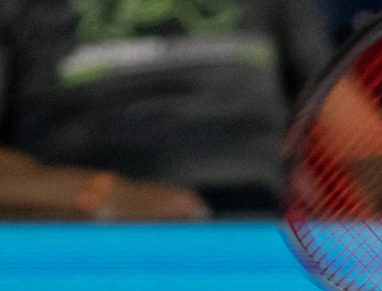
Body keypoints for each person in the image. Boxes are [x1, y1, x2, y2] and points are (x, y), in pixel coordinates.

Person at [0, 0, 330, 219]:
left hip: (264, 215)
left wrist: (381, 175)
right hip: (88, 234)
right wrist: (100, 196)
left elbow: (348, 125)